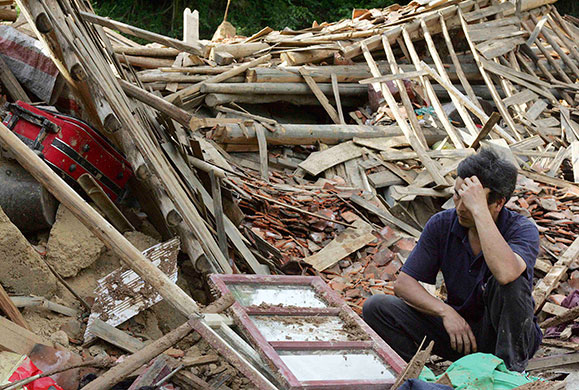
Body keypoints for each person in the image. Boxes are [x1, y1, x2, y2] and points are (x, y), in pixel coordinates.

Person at [363, 148, 542, 372]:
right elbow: (404, 284)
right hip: (461, 334)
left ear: (498, 203)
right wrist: (445, 312)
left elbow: (507, 273)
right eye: (457, 195)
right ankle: (417, 376)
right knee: (377, 307)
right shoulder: (442, 224)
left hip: (503, 336)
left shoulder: (522, 229)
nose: (459, 207)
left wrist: (479, 213)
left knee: (512, 283)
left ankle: (508, 374)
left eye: (469, 201)